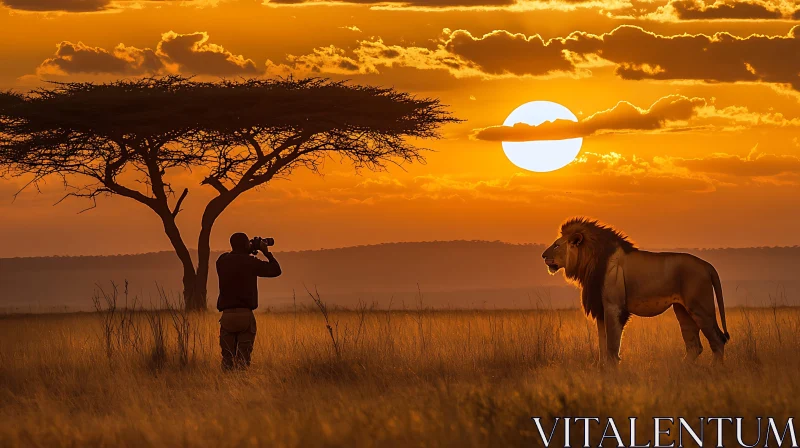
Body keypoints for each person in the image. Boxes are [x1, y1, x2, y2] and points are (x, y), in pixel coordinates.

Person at [216, 232, 282, 370]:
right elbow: (276, 270)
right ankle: (241, 387)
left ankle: (224, 387)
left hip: (227, 316)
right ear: (246, 245)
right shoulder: (251, 262)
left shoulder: (222, 261)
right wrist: (265, 252)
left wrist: (247, 249)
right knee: (243, 358)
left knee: (227, 357)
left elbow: (233, 257)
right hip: (245, 315)